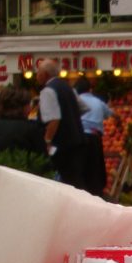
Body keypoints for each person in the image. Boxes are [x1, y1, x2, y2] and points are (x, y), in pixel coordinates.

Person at [37, 59, 88, 191]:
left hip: (60, 145)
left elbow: (54, 120)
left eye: (39, 72)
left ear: (46, 74)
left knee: (60, 183)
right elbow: (84, 108)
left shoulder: (48, 91)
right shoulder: (67, 87)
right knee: (76, 182)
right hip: (77, 141)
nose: (37, 75)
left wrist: (47, 141)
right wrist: (70, 118)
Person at [0, 86, 45, 168]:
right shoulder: (31, 130)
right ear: (21, 107)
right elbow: (42, 164)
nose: (30, 108)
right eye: (28, 104)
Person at [74, 77, 118, 197]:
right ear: (90, 89)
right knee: (95, 170)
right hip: (94, 138)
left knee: (81, 169)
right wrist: (118, 122)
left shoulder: (76, 100)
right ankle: (95, 194)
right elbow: (112, 114)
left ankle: (81, 194)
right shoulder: (98, 102)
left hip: (79, 138)